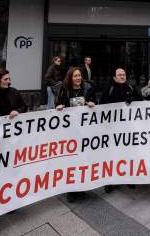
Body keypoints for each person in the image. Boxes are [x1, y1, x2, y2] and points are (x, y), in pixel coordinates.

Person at [55, 67, 96, 202]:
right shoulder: (64, 89)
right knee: (70, 160)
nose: (78, 78)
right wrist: (59, 107)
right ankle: (71, 190)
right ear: (70, 78)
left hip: (85, 131)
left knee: (84, 160)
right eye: (75, 76)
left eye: (80, 76)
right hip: (70, 132)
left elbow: (96, 103)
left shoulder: (88, 88)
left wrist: (92, 104)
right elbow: (57, 104)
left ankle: (82, 188)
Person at [100, 68, 142, 193]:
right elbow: (101, 104)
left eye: (124, 74)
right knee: (112, 155)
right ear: (114, 77)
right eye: (119, 75)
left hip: (128, 128)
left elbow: (141, 101)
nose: (122, 76)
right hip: (113, 129)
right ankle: (110, 182)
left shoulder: (131, 87)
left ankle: (128, 178)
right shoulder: (109, 89)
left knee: (128, 154)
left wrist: (132, 100)